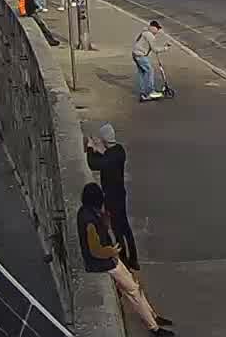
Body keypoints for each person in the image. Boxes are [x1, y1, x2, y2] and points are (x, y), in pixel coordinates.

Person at [79, 183, 174, 335]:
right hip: (103, 262)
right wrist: (112, 251)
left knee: (134, 285)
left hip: (108, 259)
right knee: (133, 291)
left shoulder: (85, 213)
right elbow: (95, 250)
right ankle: (154, 327)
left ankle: (153, 316)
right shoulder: (90, 222)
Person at [86, 123, 138, 270]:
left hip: (112, 197)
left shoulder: (111, 157)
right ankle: (133, 258)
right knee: (126, 227)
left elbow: (94, 164)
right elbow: (105, 158)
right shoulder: (119, 151)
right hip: (120, 194)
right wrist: (98, 148)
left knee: (117, 229)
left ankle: (124, 260)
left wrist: (90, 148)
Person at [132, 22, 168, 101]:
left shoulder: (144, 32)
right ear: (152, 27)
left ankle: (143, 93)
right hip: (141, 55)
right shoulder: (149, 35)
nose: (157, 31)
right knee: (150, 71)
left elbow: (139, 41)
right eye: (157, 28)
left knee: (142, 73)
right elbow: (154, 49)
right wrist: (164, 48)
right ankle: (150, 91)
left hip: (135, 54)